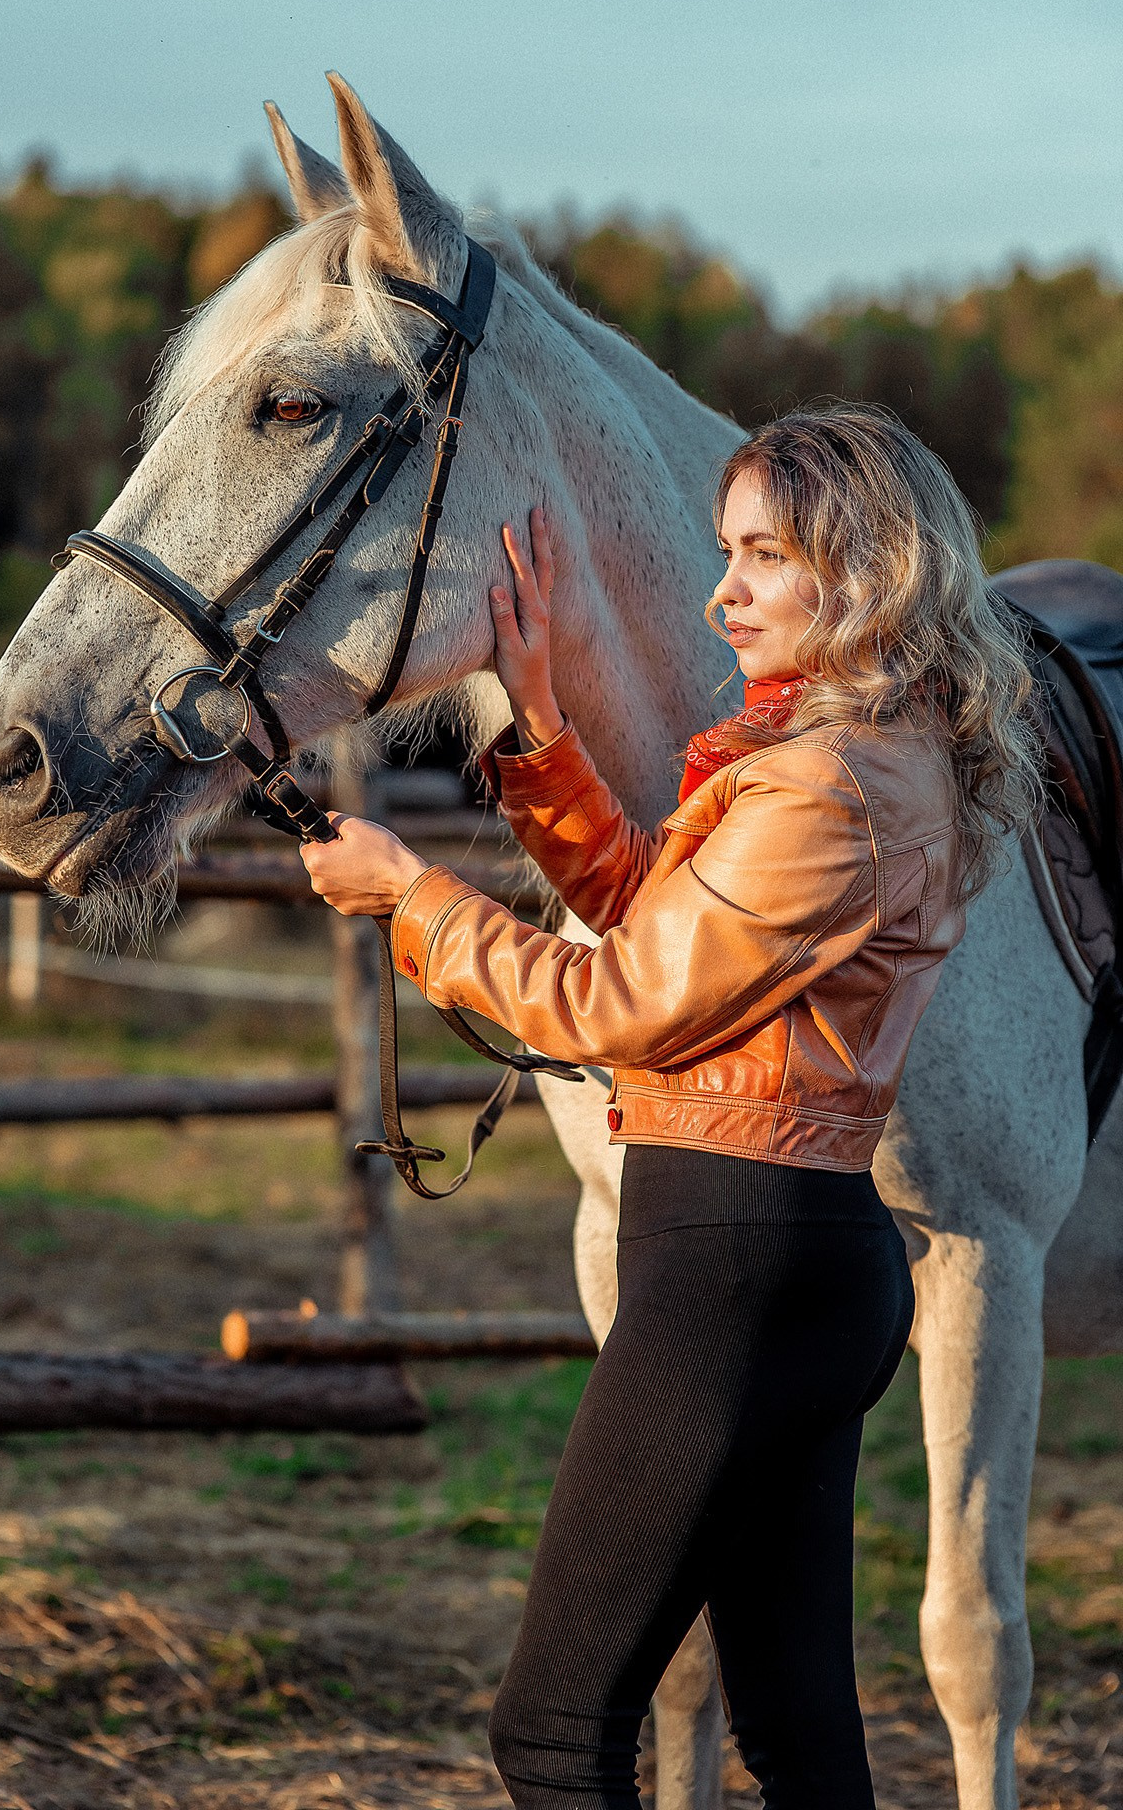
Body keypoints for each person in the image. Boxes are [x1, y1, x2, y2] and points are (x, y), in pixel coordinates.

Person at [300, 404, 1041, 1809]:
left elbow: (620, 1005)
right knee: (800, 1732)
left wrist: (413, 898)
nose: (724, 590)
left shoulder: (829, 783)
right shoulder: (875, 762)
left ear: (867, 571)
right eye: (726, 552)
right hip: (798, 1256)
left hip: (732, 1267)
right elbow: (670, 924)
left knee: (555, 1733)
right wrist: (538, 734)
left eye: (764, 557)